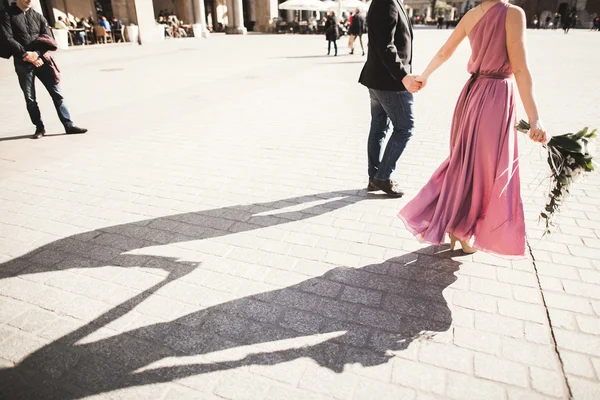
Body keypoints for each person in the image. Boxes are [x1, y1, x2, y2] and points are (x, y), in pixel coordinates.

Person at [398, 0, 547, 257]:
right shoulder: (513, 14)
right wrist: (535, 119)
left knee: (466, 162)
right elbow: (520, 67)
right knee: (485, 169)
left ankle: (457, 225)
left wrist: (425, 75)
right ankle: (465, 229)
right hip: (496, 96)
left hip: (472, 93)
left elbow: (445, 51)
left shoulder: (471, 15)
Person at [358, 0, 422, 196]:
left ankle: (375, 177)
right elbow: (386, 45)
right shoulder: (386, 2)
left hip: (379, 79)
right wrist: (403, 76)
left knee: (378, 128)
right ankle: (382, 178)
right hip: (390, 82)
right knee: (404, 128)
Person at [0, 0, 87, 138]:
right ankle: (39, 128)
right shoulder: (6, 15)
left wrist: (37, 54)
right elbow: (7, 38)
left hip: (42, 61)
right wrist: (25, 54)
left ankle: (68, 125)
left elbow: (48, 38)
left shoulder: (38, 16)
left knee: (57, 94)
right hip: (23, 62)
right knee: (30, 98)